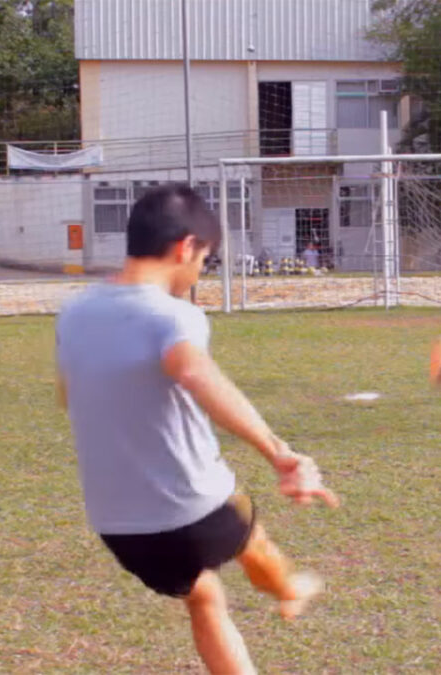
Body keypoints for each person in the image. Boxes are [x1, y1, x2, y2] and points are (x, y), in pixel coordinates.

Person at [54, 184, 338, 675]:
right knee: (252, 539)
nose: (199, 272)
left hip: (120, 529)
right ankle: (290, 588)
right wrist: (278, 452)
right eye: (204, 260)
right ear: (185, 247)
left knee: (204, 595)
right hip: (192, 509)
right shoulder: (173, 314)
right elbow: (197, 375)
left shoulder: (74, 313)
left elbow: (68, 395)